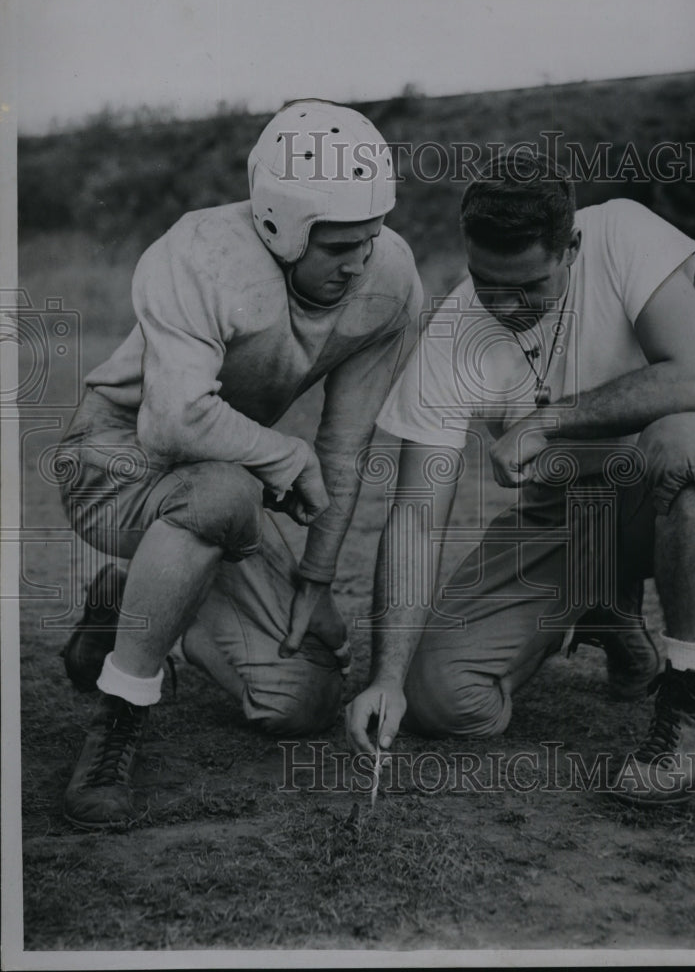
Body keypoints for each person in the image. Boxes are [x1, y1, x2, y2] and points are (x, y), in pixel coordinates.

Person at [56, 99, 421, 829]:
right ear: (281, 227)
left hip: (215, 480)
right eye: (338, 245)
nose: (358, 263)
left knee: (305, 693)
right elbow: (172, 420)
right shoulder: (201, 250)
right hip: (111, 463)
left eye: (369, 239)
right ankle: (119, 717)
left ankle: (128, 598)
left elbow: (344, 448)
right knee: (225, 494)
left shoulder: (390, 280)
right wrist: (282, 452)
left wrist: (314, 579)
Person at [346, 149, 695, 806]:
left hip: (654, 493)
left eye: (529, 287)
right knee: (441, 701)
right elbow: (417, 515)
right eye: (487, 282)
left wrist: (546, 423)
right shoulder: (452, 332)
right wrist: (385, 676)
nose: (505, 305)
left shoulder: (620, 233)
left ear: (572, 247)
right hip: (558, 518)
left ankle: (685, 715)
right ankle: (603, 609)